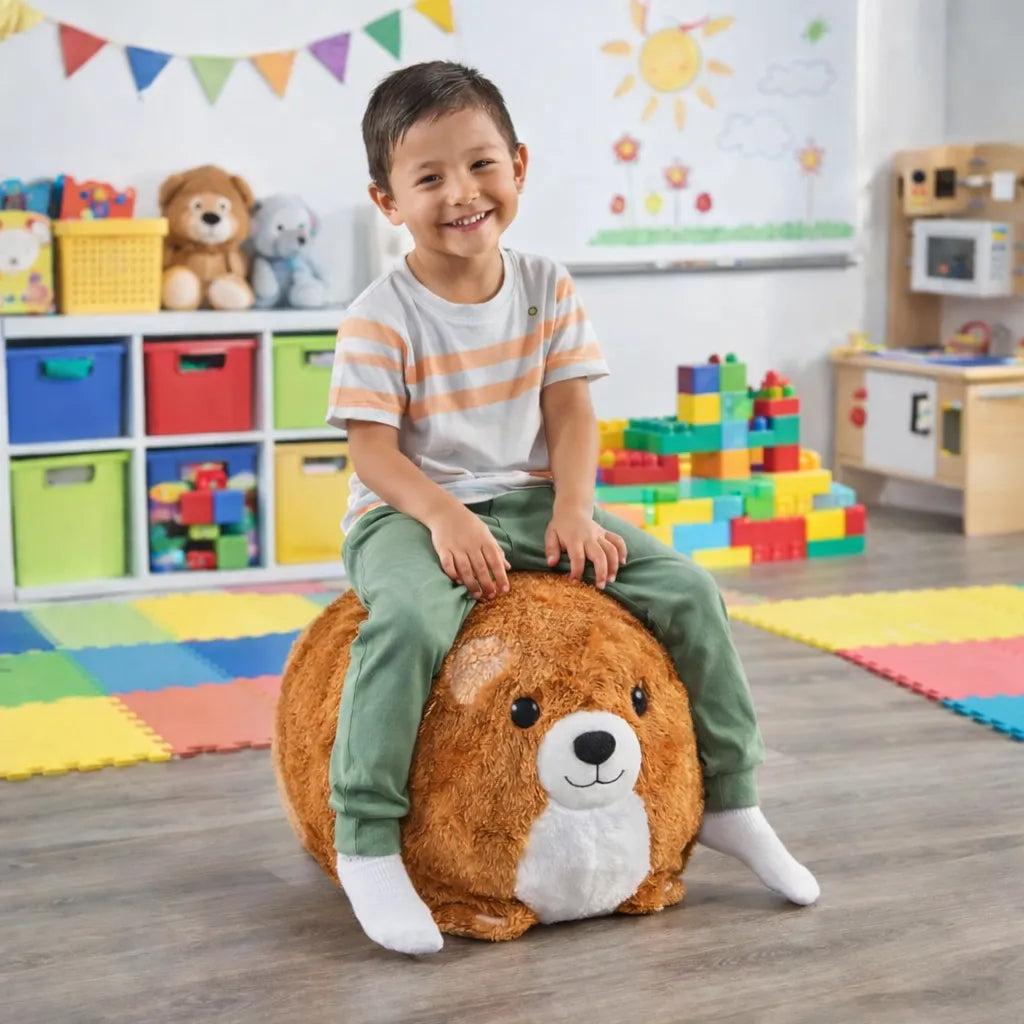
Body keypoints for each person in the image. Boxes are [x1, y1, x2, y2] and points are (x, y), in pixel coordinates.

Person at [326, 60, 819, 955]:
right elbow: (371, 451)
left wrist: (577, 510)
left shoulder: (547, 284)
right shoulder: (379, 314)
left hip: (533, 496)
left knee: (690, 592)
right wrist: (443, 517)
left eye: (481, 166)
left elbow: (570, 409)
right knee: (405, 622)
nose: (462, 193)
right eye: (428, 177)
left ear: (519, 165)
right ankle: (365, 839)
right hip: (409, 510)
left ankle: (734, 801)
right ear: (388, 201)